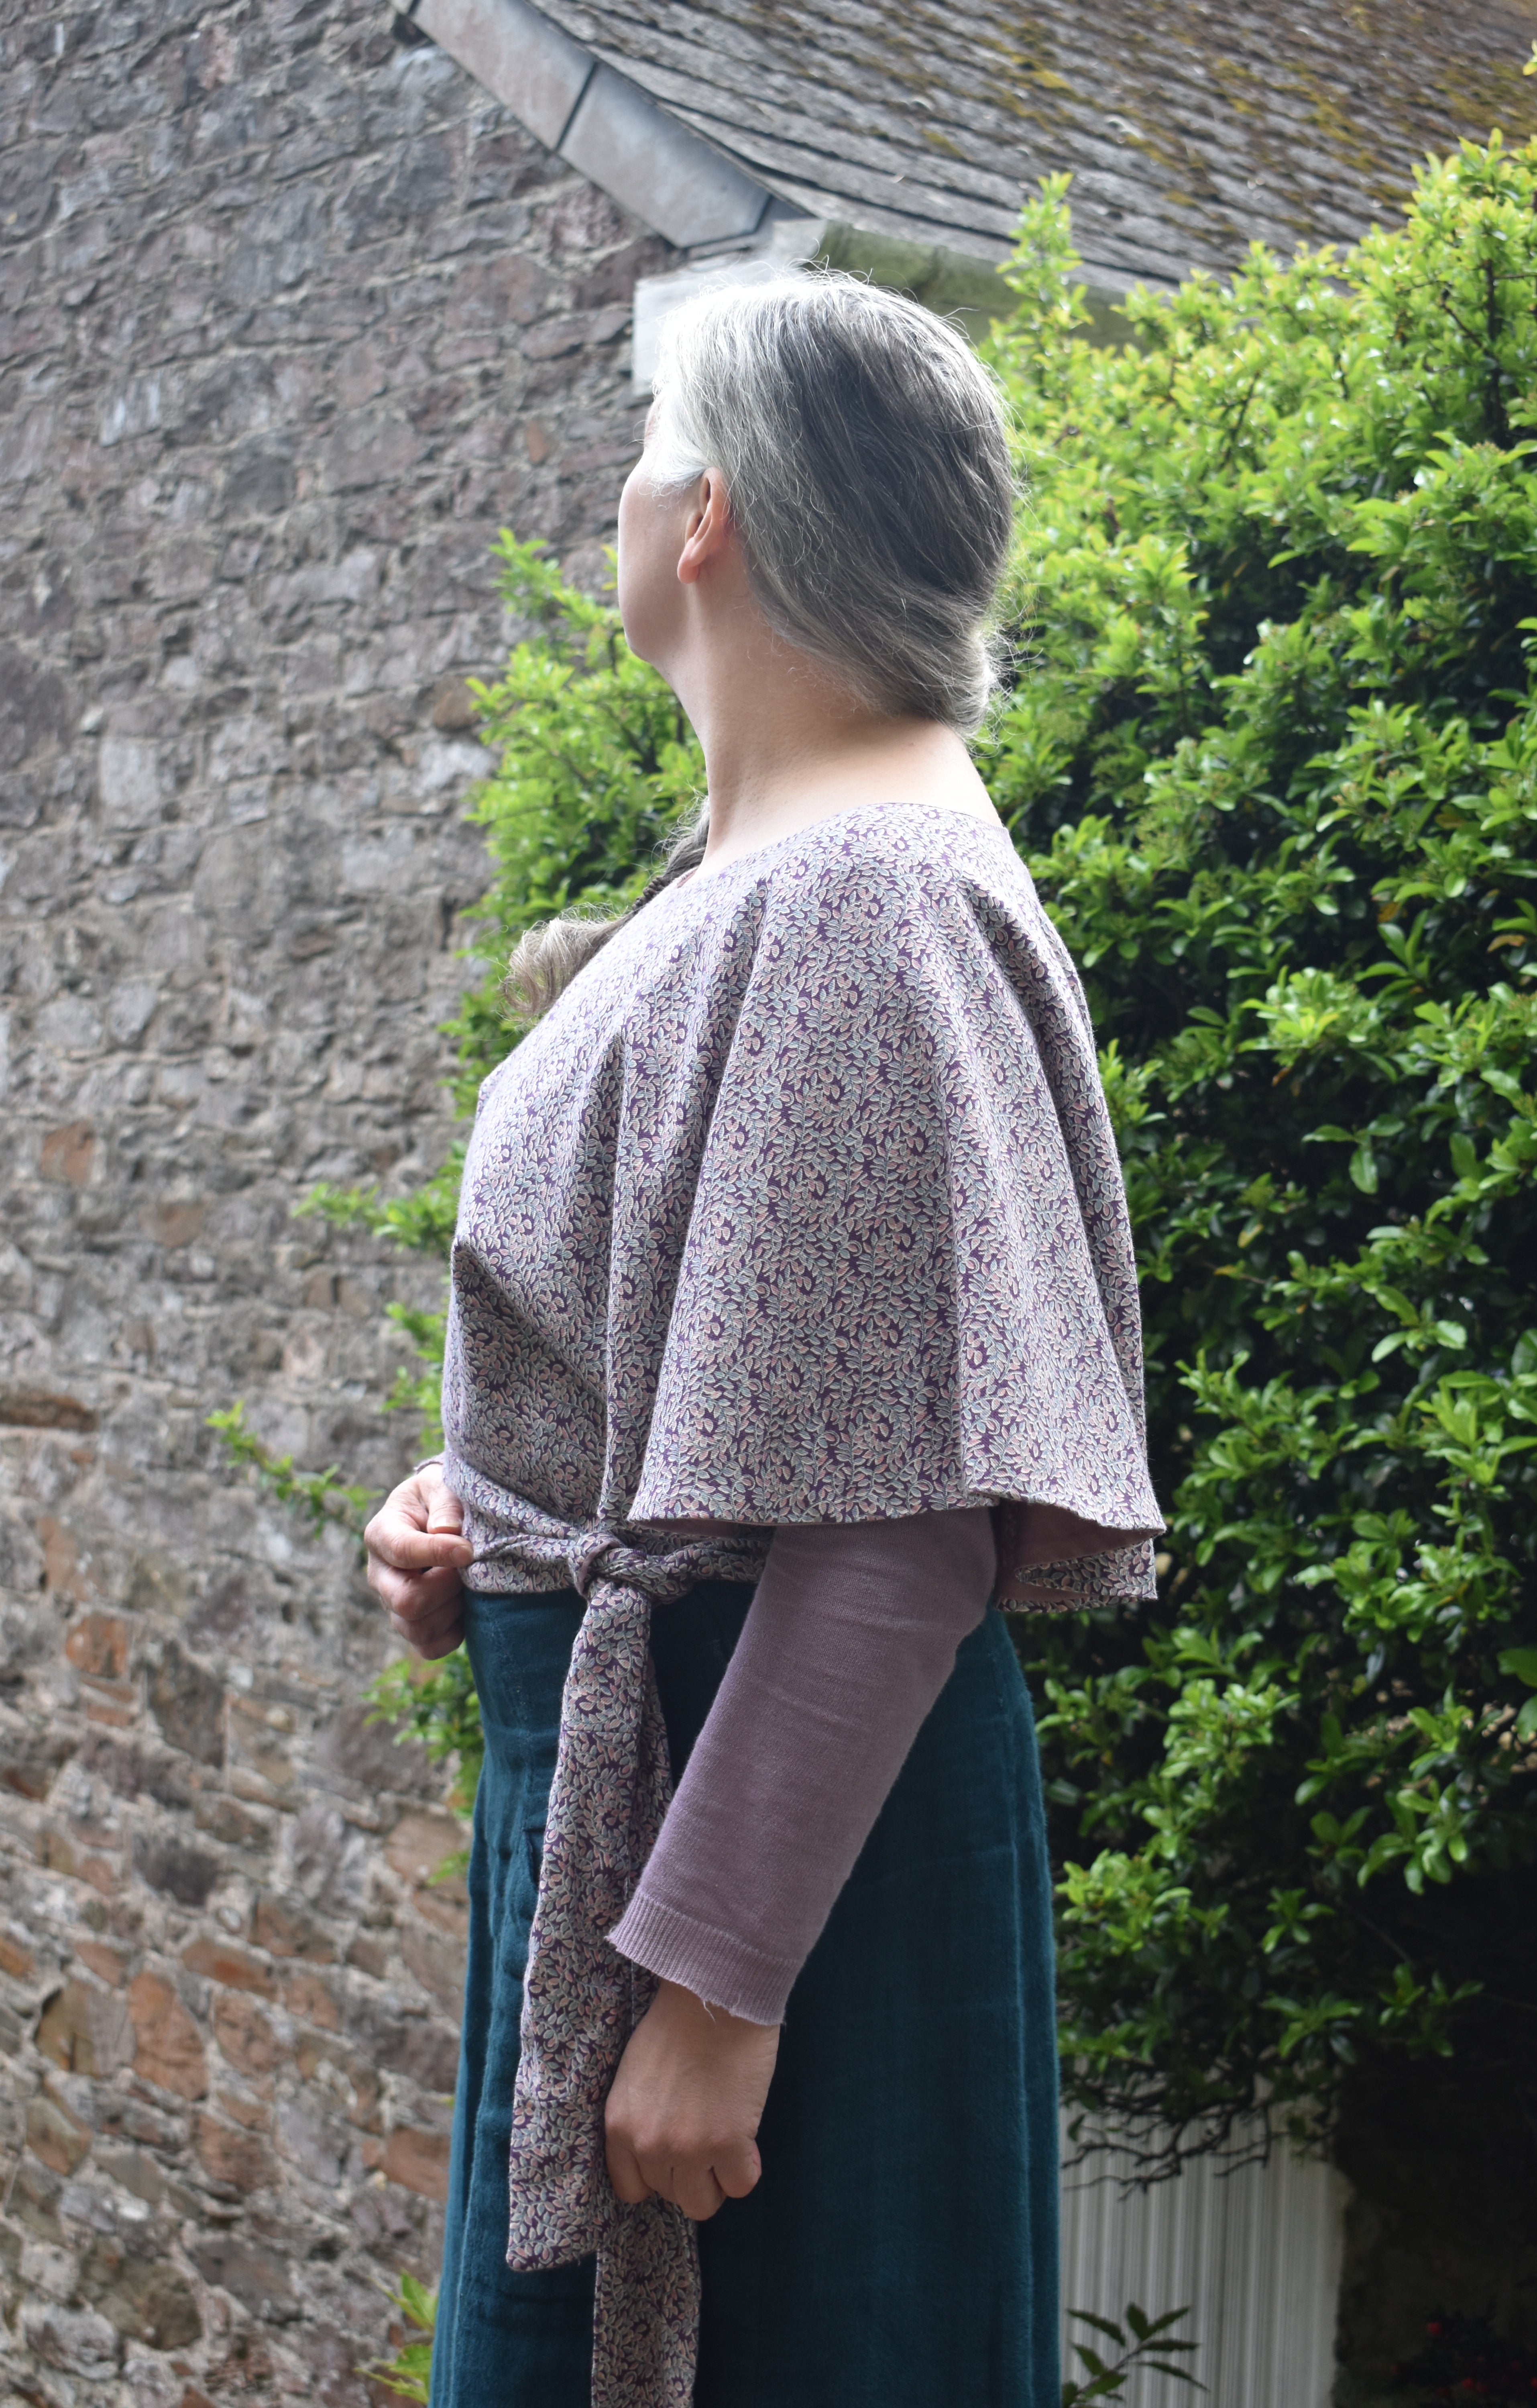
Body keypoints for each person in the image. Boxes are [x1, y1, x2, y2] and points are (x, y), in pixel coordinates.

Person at [362, 272, 1162, 2408]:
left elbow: (903, 1516)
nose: (627, 495)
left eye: (649, 454)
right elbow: (725, 1389)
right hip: (678, 1797)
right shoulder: (768, 871)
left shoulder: (867, 894)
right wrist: (493, 1519)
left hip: (766, 1865)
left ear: (708, 516)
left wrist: (718, 1995)